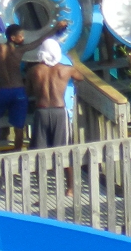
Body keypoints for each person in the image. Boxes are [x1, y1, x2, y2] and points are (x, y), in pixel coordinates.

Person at [0, 22, 63, 150]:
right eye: (21, 36)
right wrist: (56, 28)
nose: (23, 38)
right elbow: (40, 40)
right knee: (19, 128)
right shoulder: (20, 51)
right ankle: (17, 154)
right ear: (13, 38)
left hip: (4, 91)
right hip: (19, 92)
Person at [26, 38, 78, 183]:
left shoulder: (34, 71)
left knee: (39, 153)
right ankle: (70, 188)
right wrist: (73, 63)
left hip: (41, 111)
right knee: (64, 150)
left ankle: (42, 191)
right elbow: (81, 77)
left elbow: (28, 91)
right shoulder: (66, 70)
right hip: (59, 111)